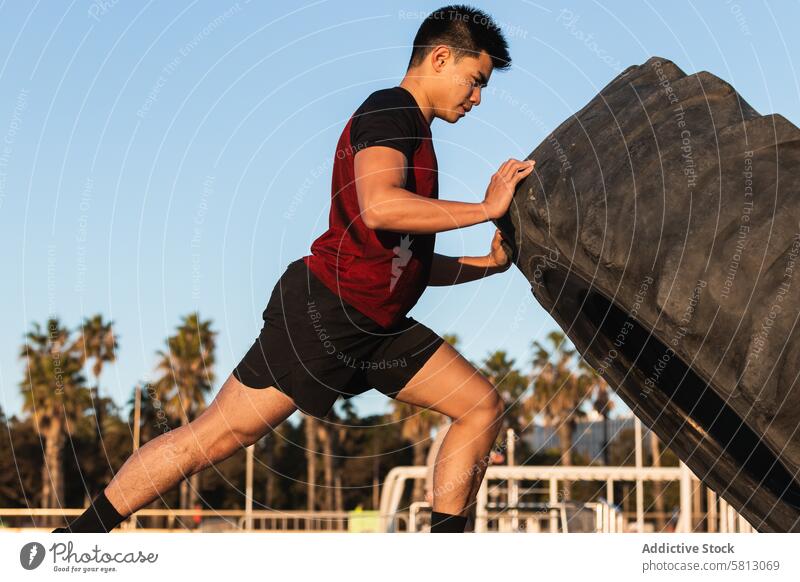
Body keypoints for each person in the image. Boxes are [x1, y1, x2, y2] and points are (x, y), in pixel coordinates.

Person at [53, 4, 535, 534]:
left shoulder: (416, 133)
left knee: (480, 405)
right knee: (213, 439)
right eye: (475, 81)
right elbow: (380, 206)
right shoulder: (388, 113)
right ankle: (74, 541)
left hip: (377, 326)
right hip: (326, 312)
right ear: (440, 58)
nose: (477, 98)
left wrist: (487, 264)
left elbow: (405, 262)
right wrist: (484, 210)